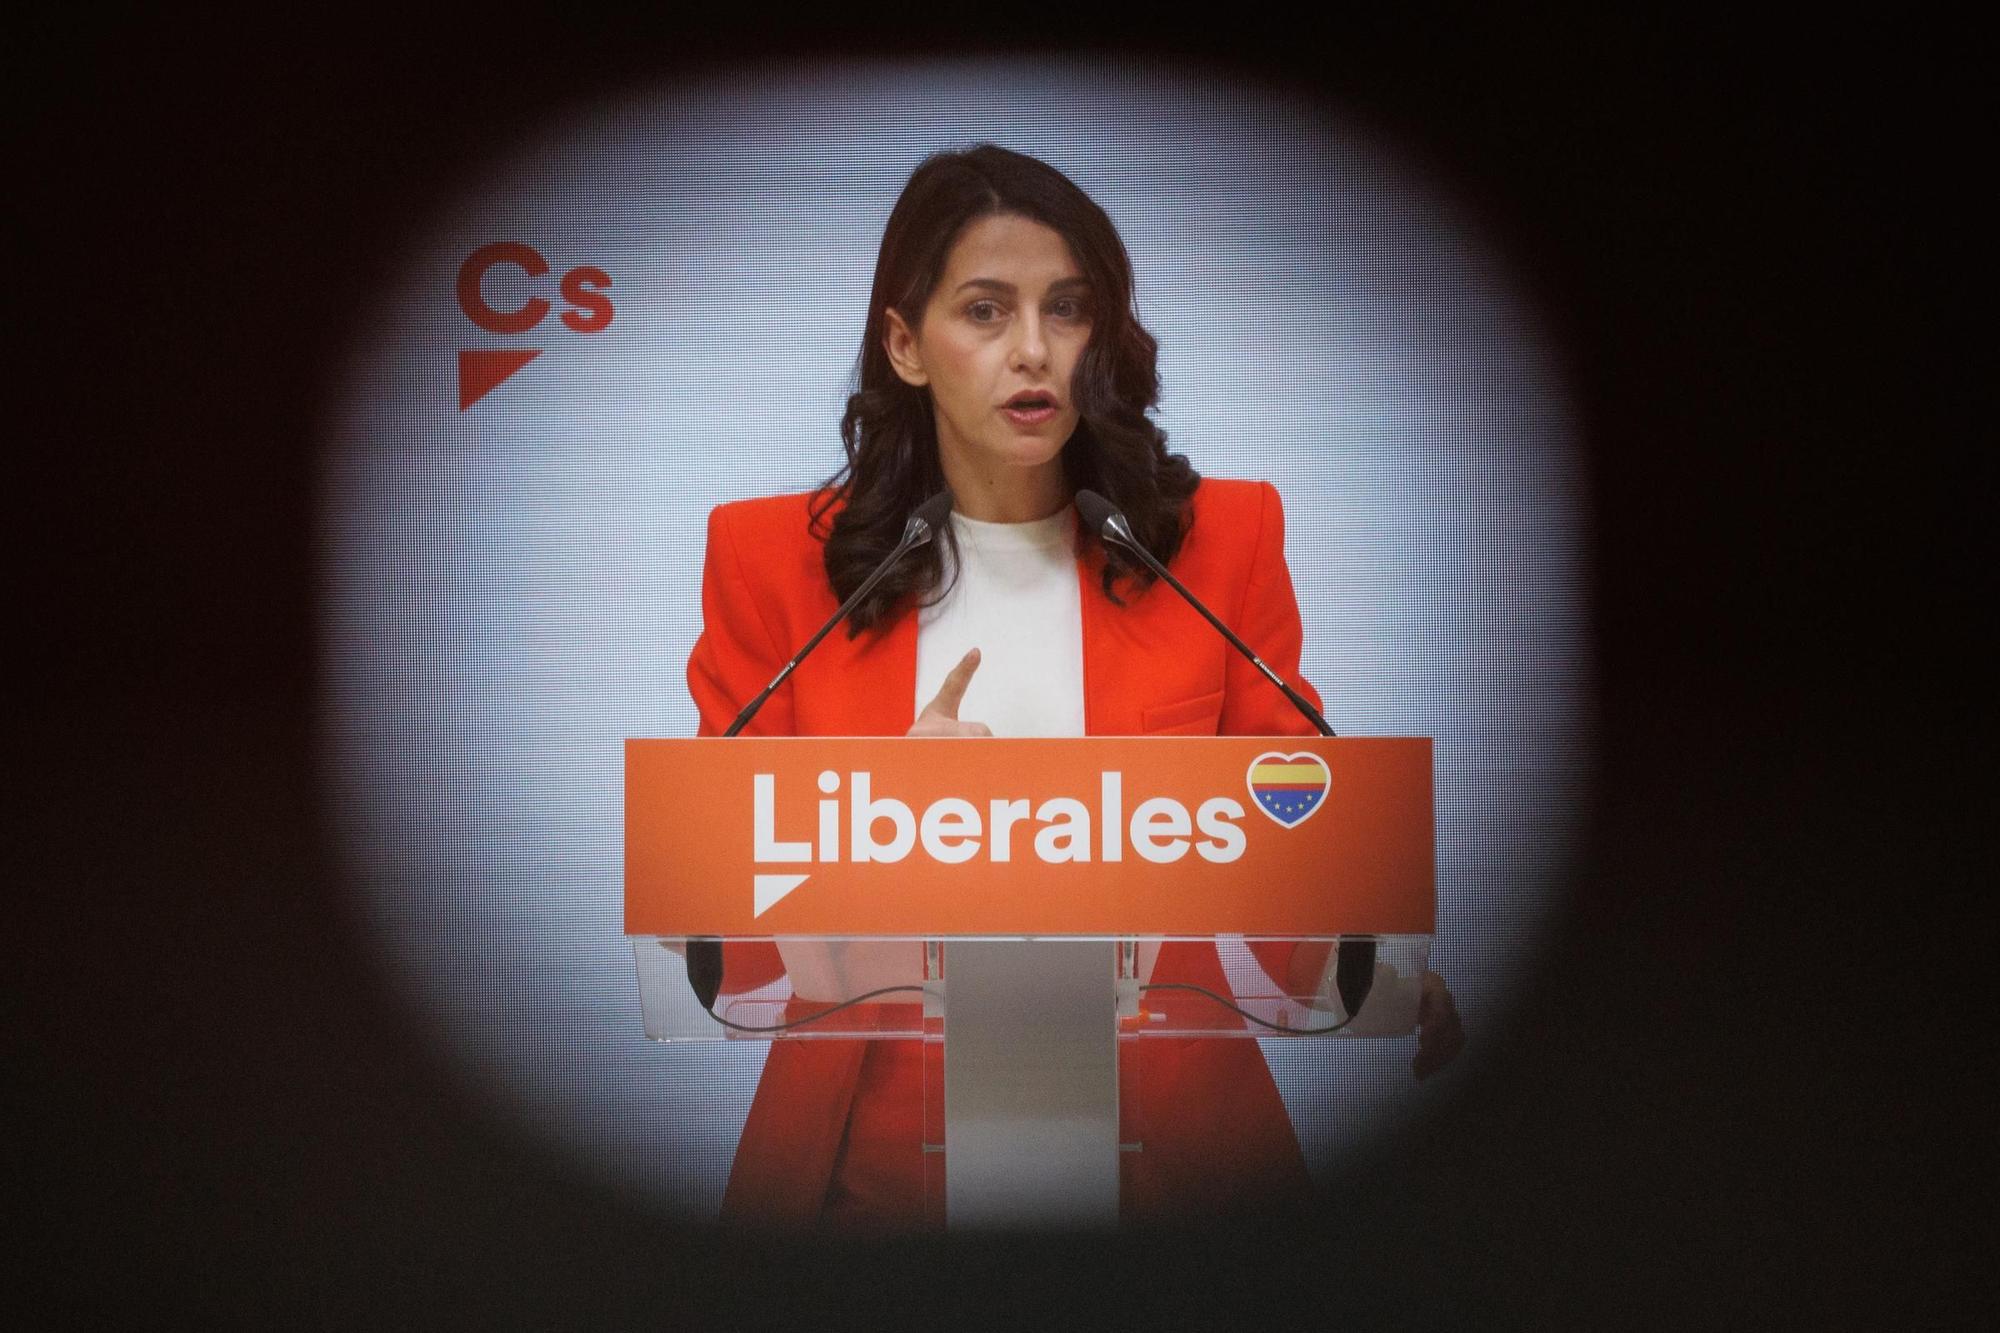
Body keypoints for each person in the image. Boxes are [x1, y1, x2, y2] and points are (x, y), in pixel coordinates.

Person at [685, 144, 1464, 1231]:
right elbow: (719, 925)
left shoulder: (1212, 547)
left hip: (1175, 1175)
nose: (1033, 351)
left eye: (1067, 308)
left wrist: (1374, 970)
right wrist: (879, 826)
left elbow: (1283, 834)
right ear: (906, 345)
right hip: (874, 1182)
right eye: (985, 312)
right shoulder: (775, 564)